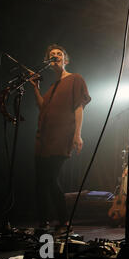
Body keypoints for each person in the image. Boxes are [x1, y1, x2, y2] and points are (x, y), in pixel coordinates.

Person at [30, 44, 91, 232]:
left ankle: (64, 220)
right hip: (44, 137)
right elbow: (44, 109)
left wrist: (77, 134)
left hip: (61, 136)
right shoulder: (51, 87)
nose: (55, 56)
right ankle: (43, 222)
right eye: (51, 55)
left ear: (66, 60)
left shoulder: (75, 79)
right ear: (47, 62)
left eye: (59, 54)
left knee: (50, 177)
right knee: (41, 181)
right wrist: (35, 89)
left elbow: (78, 107)